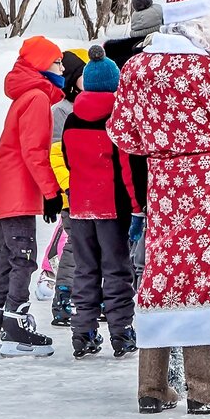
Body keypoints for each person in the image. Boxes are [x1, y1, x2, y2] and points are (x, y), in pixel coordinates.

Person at [107, 0, 210, 415]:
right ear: (201, 25)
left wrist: (163, 145)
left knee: (164, 275)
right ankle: (206, 384)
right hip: (208, 183)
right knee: (205, 276)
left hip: (164, 183)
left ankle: (152, 386)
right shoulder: (209, 71)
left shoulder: (138, 67)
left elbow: (121, 131)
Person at [0, 36, 65, 357]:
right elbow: (34, 152)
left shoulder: (25, 96)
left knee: (8, 257)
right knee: (24, 258)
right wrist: (51, 192)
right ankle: (15, 328)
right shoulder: (37, 98)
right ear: (43, 65)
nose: (61, 68)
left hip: (5, 193)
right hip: (17, 192)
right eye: (56, 62)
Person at [60, 46, 143, 359]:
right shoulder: (116, 121)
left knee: (85, 270)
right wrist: (137, 208)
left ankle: (83, 332)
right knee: (117, 270)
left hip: (81, 207)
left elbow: (69, 161)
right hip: (112, 209)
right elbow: (127, 170)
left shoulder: (71, 120)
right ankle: (121, 332)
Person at [38, 48, 89, 306]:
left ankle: (83, 294)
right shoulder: (60, 111)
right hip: (71, 190)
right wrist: (67, 187)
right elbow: (57, 154)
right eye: (82, 74)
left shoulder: (86, 104)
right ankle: (62, 291)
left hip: (88, 189)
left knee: (85, 244)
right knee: (74, 242)